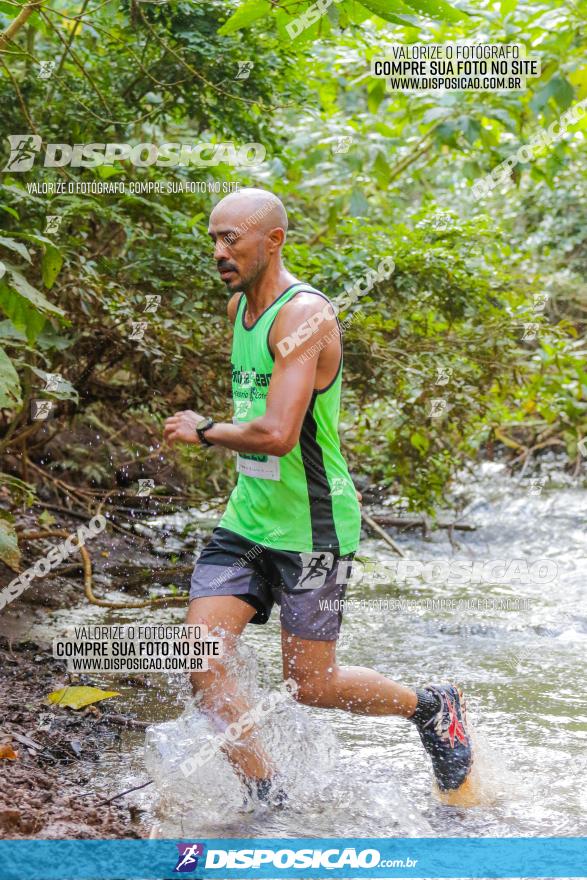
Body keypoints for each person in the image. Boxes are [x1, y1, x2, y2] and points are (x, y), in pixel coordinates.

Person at [163, 187, 473, 804]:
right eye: (214, 238)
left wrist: (204, 431)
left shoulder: (304, 315)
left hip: (315, 527)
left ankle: (432, 708)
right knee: (201, 655)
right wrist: (225, 432)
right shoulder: (239, 311)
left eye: (233, 238)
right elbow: (261, 413)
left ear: (273, 240)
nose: (220, 250)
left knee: (311, 684)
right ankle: (265, 796)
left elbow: (278, 434)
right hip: (250, 519)